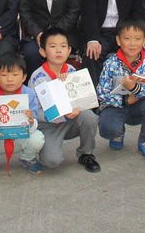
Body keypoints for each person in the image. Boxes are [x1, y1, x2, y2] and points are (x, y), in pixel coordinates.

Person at [28, 28, 101, 173]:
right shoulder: (37, 78)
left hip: (71, 121)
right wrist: (62, 114)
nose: (58, 50)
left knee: (89, 117)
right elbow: (35, 111)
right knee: (52, 161)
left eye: (63, 46)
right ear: (43, 52)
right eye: (53, 46)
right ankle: (43, 147)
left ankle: (86, 154)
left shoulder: (72, 71)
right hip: (48, 126)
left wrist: (78, 108)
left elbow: (83, 100)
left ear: (69, 51)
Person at [96, 20, 145, 161]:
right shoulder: (110, 63)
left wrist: (134, 89)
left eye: (137, 39)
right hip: (115, 107)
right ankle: (118, 133)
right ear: (118, 40)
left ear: (144, 41)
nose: (132, 44)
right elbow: (102, 92)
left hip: (139, 106)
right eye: (127, 38)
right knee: (108, 129)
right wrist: (125, 100)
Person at [0, 52, 45, 177]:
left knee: (38, 137)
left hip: (20, 136)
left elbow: (35, 120)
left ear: (23, 77)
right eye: (4, 75)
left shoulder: (29, 94)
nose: (10, 79)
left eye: (15, 75)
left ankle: (27, 158)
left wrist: (31, 120)